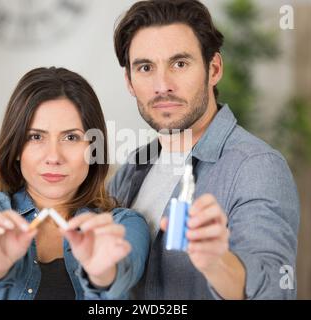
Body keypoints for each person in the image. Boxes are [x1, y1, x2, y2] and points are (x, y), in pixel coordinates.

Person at [109, 0, 300, 299]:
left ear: (214, 69)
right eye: (145, 67)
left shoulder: (256, 167)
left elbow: (275, 288)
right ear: (130, 82)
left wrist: (216, 262)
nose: (162, 85)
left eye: (180, 64)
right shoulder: (134, 167)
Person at [0, 67, 150, 300]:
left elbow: (121, 277)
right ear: (16, 148)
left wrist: (103, 274)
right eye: (36, 137)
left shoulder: (124, 225)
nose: (53, 157)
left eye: (71, 137)